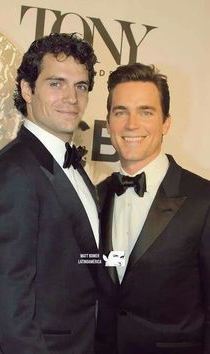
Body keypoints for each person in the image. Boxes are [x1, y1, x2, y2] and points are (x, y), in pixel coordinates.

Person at [0, 32, 113, 354]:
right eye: (56, 83)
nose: (71, 98)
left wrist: (126, 260)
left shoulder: (69, 165)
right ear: (27, 89)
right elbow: (11, 304)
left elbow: (77, 256)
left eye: (80, 86)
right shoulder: (11, 174)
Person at [97, 63, 210, 354]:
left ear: (166, 123)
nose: (131, 124)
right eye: (120, 112)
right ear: (108, 123)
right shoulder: (94, 197)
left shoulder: (204, 200)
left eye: (146, 112)